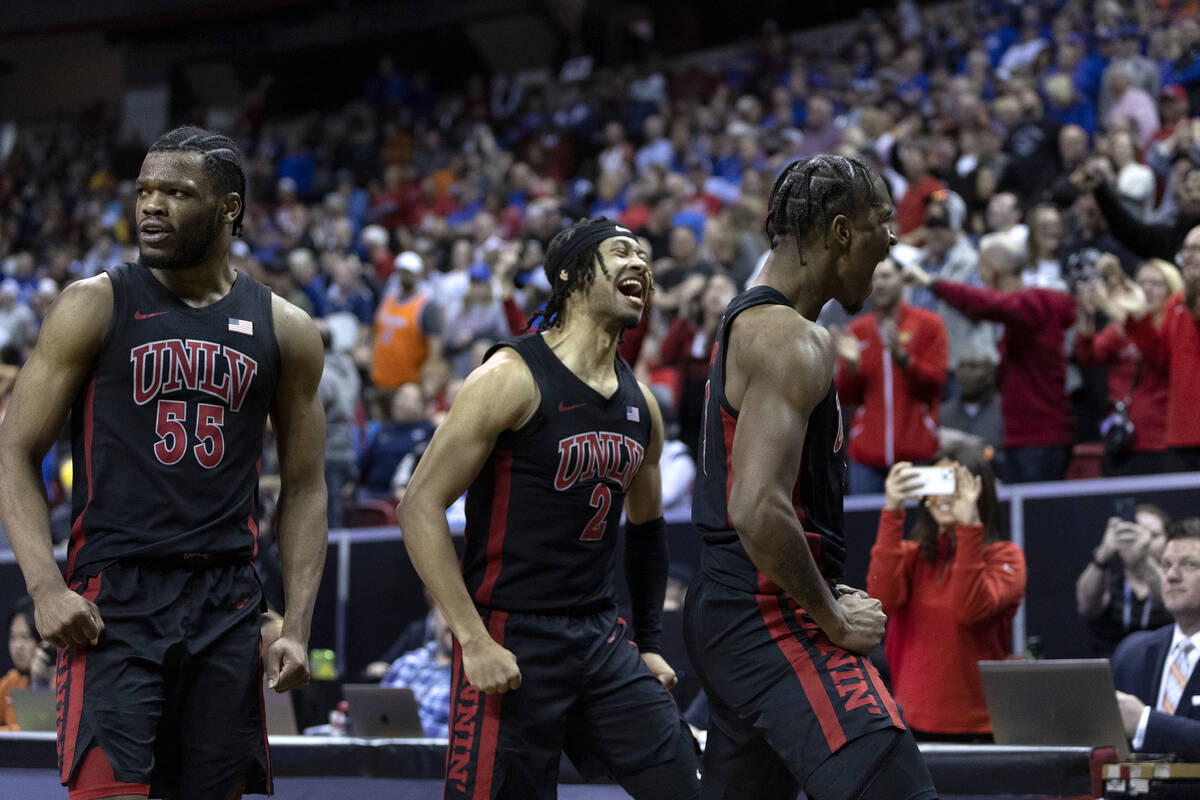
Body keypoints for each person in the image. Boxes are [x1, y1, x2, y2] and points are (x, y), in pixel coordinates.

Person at [0, 126, 328, 800]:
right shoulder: (94, 303)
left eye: (176, 193)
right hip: (113, 600)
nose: (151, 206)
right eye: (145, 190)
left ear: (229, 207)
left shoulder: (285, 327)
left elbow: (303, 486)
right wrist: (43, 588)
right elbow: (14, 448)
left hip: (227, 605)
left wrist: (295, 625)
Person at [397, 217, 699, 799]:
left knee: (689, 784)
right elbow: (419, 508)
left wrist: (653, 643)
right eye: (621, 253)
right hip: (510, 632)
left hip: (598, 636)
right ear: (570, 274)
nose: (640, 265)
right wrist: (473, 639)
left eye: (645, 257)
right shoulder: (510, 376)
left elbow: (647, 530)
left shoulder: (643, 406)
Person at [684, 154, 937, 800]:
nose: (894, 242)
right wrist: (830, 615)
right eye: (885, 224)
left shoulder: (748, 322)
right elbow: (759, 510)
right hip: (769, 613)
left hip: (731, 607)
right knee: (891, 780)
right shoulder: (790, 338)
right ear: (844, 232)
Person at [867, 447, 1026, 740]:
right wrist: (893, 509)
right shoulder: (911, 556)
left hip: (978, 731)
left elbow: (969, 611)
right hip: (909, 725)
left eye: (955, 484)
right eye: (937, 483)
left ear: (979, 491)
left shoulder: (1006, 558)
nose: (944, 495)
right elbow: (881, 600)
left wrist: (969, 528)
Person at [903, 234, 1076, 484]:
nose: (980, 277)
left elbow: (986, 304)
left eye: (981, 267)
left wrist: (932, 283)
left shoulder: (1036, 301)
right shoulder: (1025, 308)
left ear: (993, 269)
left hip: (1041, 437)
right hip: (1022, 435)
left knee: (1039, 519)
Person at [832, 256, 948, 494]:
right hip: (866, 457)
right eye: (873, 278)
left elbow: (937, 385)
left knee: (924, 529)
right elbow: (844, 397)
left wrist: (905, 360)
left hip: (919, 452)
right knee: (867, 530)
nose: (879, 284)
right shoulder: (857, 330)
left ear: (902, 279)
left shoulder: (929, 324)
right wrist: (852, 368)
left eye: (885, 276)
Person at [1095, 225, 1200, 470]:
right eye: (1185, 250)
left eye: (1196, 249)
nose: (1189, 256)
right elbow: (1159, 358)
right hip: (1179, 436)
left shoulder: (1185, 301)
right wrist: (1136, 316)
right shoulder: (1176, 301)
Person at [1075, 257, 1178, 476]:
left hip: (1157, 441)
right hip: (1119, 439)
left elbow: (1158, 357)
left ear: (1171, 290)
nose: (1147, 289)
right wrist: (1087, 316)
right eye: (1142, 283)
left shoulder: (1173, 326)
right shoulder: (1121, 328)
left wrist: (1134, 319)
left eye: (1157, 284)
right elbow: (1089, 357)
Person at [1113, 518, 1200, 761]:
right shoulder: (1132, 652)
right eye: (1165, 565)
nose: (1172, 576)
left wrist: (1145, 723)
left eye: (1189, 564)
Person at [1077, 506, 1171, 658]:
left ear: (1167, 541)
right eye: (1134, 532)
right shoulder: (1108, 581)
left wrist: (1143, 561)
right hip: (1109, 672)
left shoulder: (1177, 581)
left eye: (1153, 535)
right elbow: (1086, 606)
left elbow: (1171, 598)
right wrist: (1103, 554)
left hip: (1162, 670)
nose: (1143, 540)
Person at [380, 605, 454, 738]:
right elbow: (374, 719)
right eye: (449, 613)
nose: (456, 623)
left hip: (441, 756)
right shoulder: (407, 663)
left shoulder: (482, 675)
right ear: (434, 618)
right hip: (392, 754)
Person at [3, 595, 54, 731]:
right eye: (13, 637)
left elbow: (43, 730)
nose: (17, 646)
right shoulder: (11, 681)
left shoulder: (60, 682)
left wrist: (41, 685)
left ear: (43, 642)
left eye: (25, 637)